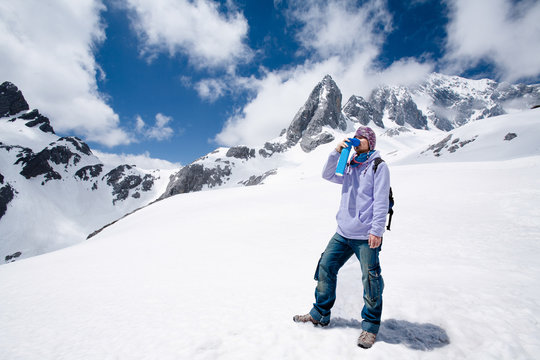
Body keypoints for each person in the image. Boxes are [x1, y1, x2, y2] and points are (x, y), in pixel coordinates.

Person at [293, 126, 391, 349]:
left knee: (371, 279)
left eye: (363, 137)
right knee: (326, 266)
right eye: (356, 136)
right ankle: (319, 314)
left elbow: (381, 200)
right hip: (343, 232)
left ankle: (370, 327)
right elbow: (328, 175)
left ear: (371, 142)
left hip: (366, 234)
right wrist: (337, 152)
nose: (358, 139)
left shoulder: (378, 166)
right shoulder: (350, 165)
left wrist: (377, 231)